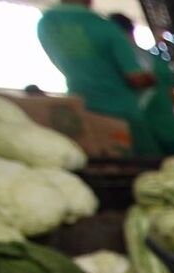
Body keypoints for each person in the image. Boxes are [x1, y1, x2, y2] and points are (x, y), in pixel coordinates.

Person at [37, 0, 161, 156]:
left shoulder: (45, 24)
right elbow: (135, 77)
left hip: (80, 109)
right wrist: (153, 79)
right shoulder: (105, 28)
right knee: (143, 163)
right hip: (121, 113)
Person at [109, 13, 174, 156]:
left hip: (144, 134)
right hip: (168, 130)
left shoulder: (121, 62)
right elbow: (172, 94)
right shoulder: (154, 59)